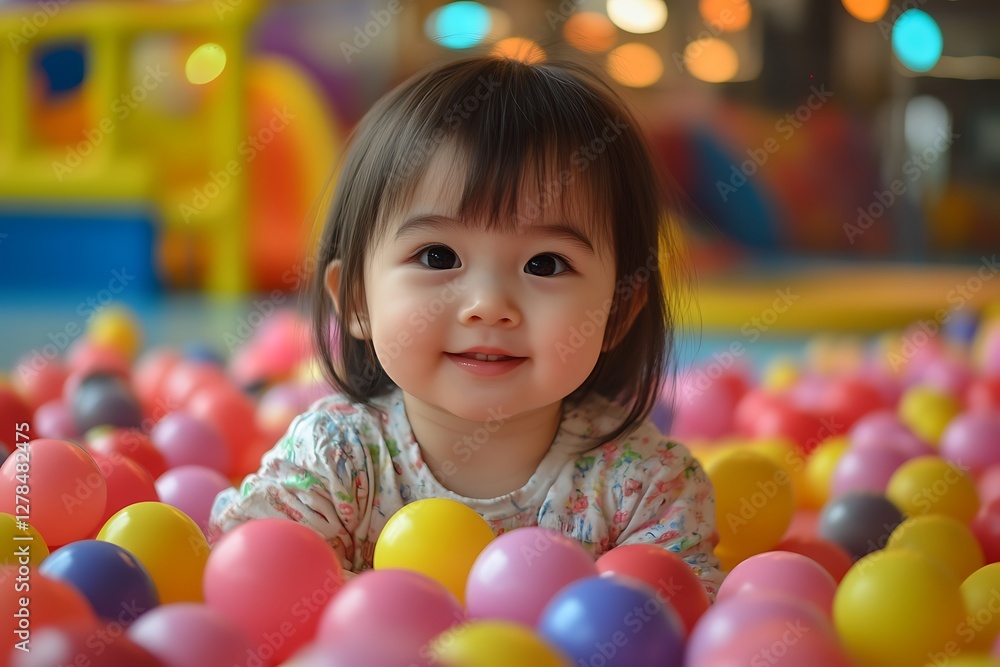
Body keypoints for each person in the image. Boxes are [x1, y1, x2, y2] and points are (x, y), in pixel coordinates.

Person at [210, 54, 724, 597]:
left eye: (545, 264)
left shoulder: (643, 487)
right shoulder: (335, 461)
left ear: (616, 312)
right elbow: (251, 578)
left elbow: (682, 619)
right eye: (438, 257)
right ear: (357, 299)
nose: (488, 305)